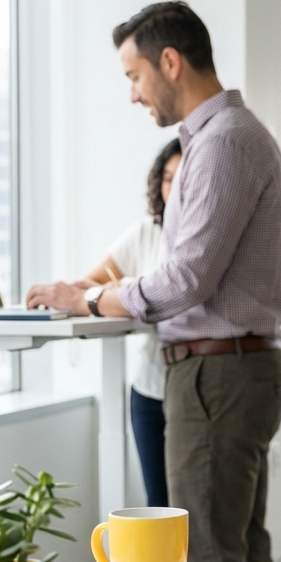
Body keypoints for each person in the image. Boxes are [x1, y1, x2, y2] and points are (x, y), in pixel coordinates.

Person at [27, 2, 281, 562]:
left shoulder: (223, 142)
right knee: (236, 550)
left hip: (216, 375)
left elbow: (187, 278)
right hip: (227, 370)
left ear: (169, 62)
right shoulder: (220, 138)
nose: (133, 94)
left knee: (207, 559)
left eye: (134, 76)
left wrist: (90, 299)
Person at [74, 139, 181, 508]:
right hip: (149, 390)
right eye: (166, 178)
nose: (172, 187)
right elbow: (89, 286)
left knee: (194, 509)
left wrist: (125, 290)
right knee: (158, 503)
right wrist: (122, 289)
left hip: (193, 386)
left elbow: (171, 295)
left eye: (181, 178)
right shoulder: (146, 233)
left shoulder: (200, 239)